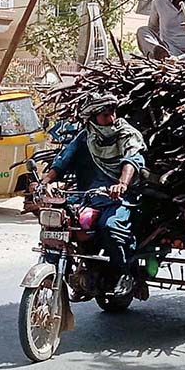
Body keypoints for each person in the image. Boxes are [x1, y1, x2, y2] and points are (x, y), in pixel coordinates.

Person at [40, 93, 146, 296]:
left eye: (112, 113)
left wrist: (122, 184)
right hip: (89, 196)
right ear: (93, 117)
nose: (111, 118)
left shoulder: (127, 133)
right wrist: (45, 181)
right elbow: (64, 160)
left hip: (119, 197)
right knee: (59, 223)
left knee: (110, 227)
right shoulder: (86, 136)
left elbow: (132, 159)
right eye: (105, 115)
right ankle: (71, 268)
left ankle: (124, 273)